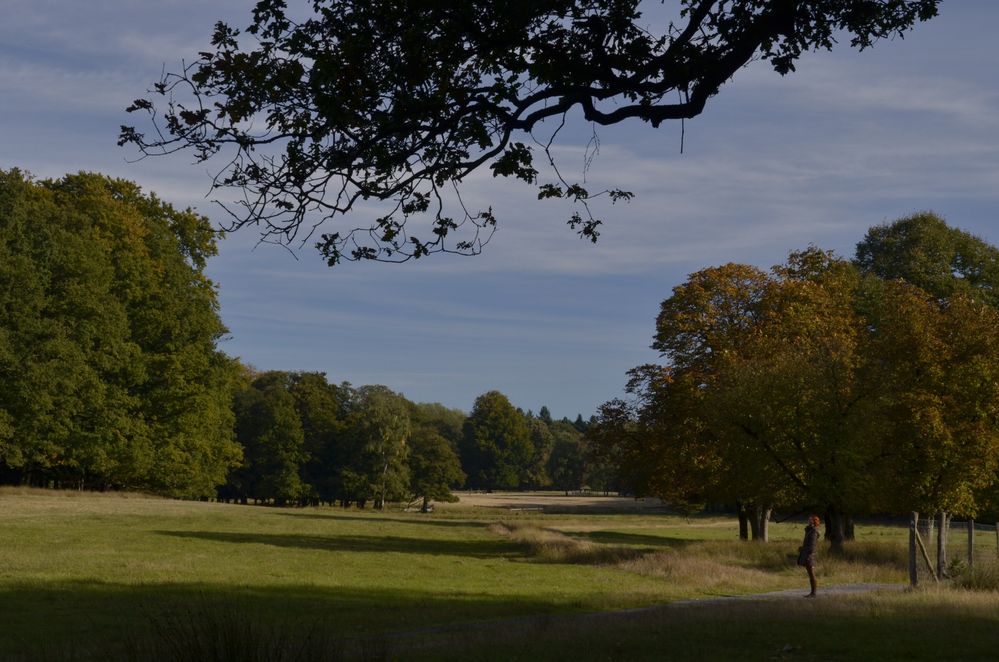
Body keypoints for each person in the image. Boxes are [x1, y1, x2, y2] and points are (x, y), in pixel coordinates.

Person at [798, 514, 821, 597]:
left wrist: (804, 550)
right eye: (809, 519)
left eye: (810, 520)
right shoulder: (809, 530)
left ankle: (813, 593)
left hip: (810, 555)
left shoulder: (814, 531)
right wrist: (802, 548)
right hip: (807, 554)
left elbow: (812, 546)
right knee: (810, 573)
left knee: (811, 573)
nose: (809, 521)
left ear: (814, 522)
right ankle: (812, 593)